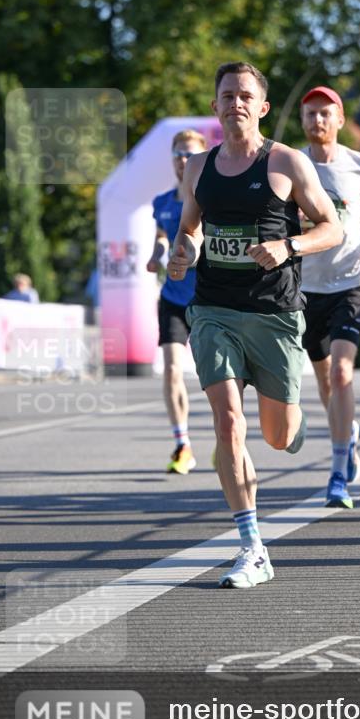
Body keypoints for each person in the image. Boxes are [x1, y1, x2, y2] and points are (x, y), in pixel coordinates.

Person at [168, 62, 341, 588]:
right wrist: (181, 253)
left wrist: (287, 245)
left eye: (246, 95)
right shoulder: (198, 168)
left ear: (261, 107)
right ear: (217, 106)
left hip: (274, 313)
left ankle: (291, 415)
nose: (236, 103)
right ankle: (252, 546)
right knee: (227, 424)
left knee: (277, 435)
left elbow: (331, 228)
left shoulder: (286, 162)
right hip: (214, 309)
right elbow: (190, 231)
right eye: (227, 95)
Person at [299, 86, 360, 509]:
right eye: (310, 114)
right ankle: (348, 436)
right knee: (324, 380)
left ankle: (338, 472)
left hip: (352, 280)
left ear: (339, 119)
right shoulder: (291, 165)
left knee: (341, 373)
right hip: (305, 285)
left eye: (325, 113)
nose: (317, 120)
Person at [147, 129, 207, 474]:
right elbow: (159, 237)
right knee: (171, 369)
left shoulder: (211, 199)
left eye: (189, 154)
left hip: (207, 298)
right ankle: (182, 443)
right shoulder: (163, 203)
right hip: (172, 297)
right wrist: (156, 255)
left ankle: (228, 438)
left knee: (216, 377)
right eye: (178, 154)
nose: (183, 160)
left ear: (200, 159)